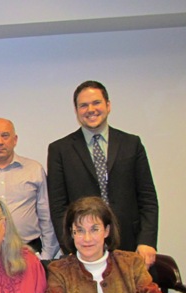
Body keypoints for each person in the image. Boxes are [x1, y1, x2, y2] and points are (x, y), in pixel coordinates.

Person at [47, 80, 159, 269]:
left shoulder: (132, 144)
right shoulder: (60, 150)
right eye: (83, 105)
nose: (90, 109)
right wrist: (70, 247)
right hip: (85, 246)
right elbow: (58, 207)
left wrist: (147, 241)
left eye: (96, 103)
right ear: (76, 111)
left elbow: (147, 199)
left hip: (130, 245)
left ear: (108, 105)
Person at [42, 197, 172, 293]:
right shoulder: (60, 270)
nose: (87, 238)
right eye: (80, 230)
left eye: (94, 229)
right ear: (72, 233)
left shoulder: (131, 264)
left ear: (107, 230)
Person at [0, 118, 59, 259]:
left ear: (15, 140)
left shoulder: (34, 170)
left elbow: (46, 216)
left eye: (5, 136)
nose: (0, 142)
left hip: (27, 250)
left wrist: (47, 255)